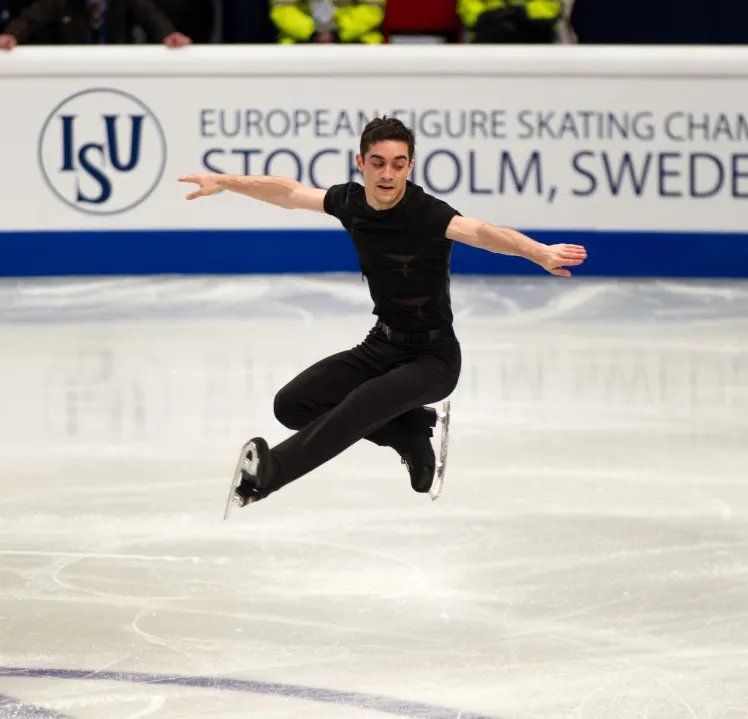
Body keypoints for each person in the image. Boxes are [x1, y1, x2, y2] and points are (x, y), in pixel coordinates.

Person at [178, 116, 587, 510]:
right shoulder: (350, 202)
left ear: (410, 165)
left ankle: (271, 474)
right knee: (292, 405)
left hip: (433, 358)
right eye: (377, 163)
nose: (387, 174)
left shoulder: (427, 213)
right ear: (361, 163)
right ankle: (406, 431)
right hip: (381, 344)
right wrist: (225, 182)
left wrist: (539, 252)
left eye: (397, 164)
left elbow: (484, 233)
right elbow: (288, 192)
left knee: (364, 401)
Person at [0, 0, 192, 49]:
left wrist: (169, 34)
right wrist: (11, 35)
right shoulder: (61, 2)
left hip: (118, 71)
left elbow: (151, 16)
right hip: (71, 73)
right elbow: (30, 18)